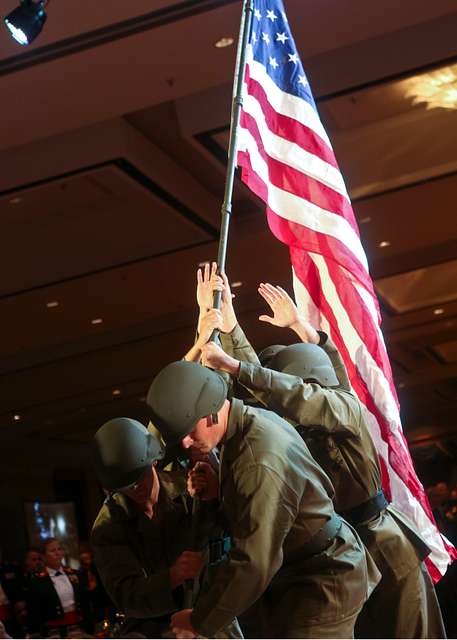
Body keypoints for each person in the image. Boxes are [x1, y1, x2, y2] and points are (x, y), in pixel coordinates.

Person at [201, 275, 446, 639]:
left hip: (383, 547)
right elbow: (274, 396)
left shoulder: (339, 406)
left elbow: (288, 394)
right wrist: (233, 327)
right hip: (343, 555)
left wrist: (237, 367)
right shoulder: (299, 420)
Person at [147, 359, 380, 639]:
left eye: (189, 429)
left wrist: (200, 621)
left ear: (211, 412)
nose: (185, 443)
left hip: (323, 574)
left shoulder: (259, 459)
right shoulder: (249, 423)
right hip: (304, 569)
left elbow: (254, 561)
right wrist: (219, 491)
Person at [91, 417, 241, 639]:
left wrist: (212, 495)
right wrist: (173, 576)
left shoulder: (189, 488)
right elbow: (128, 597)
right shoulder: (108, 526)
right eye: (126, 486)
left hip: (206, 607)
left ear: (152, 462)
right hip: (151, 624)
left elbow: (229, 536)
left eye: (139, 478)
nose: (136, 489)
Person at [26, 538, 92, 638]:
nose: (57, 553)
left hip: (78, 628)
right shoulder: (37, 581)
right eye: (52, 550)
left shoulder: (77, 574)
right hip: (53, 632)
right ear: (43, 556)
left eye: (59, 549)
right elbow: (35, 612)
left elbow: (86, 603)